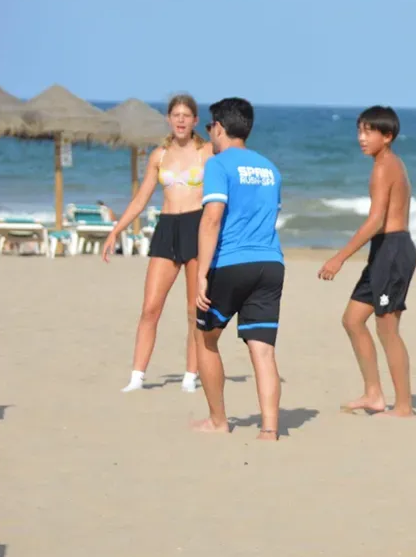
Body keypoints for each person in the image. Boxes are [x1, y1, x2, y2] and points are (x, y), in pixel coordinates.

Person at [102, 94, 213, 393]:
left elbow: (226, 192)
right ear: (168, 118)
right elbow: (141, 199)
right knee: (150, 308)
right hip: (166, 229)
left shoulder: (208, 153)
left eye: (185, 115)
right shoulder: (158, 155)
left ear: (194, 121)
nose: (180, 120)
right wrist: (116, 231)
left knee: (194, 311)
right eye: (175, 115)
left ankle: (191, 375)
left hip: (196, 227)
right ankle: (137, 376)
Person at [193, 98, 284, 442]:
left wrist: (202, 273)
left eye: (209, 128)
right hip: (271, 263)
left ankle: (218, 420)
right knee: (262, 349)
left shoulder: (219, 164)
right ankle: (269, 430)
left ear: (219, 126)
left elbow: (212, 218)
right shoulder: (270, 168)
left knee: (205, 338)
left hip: (231, 262)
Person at [318, 106, 416, 418]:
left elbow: (376, 221)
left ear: (386, 137)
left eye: (368, 132)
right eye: (359, 130)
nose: (361, 138)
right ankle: (374, 394)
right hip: (384, 251)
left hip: (393, 251)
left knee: (387, 329)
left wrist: (340, 257)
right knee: (352, 319)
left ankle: (403, 406)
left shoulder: (384, 167)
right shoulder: (387, 163)